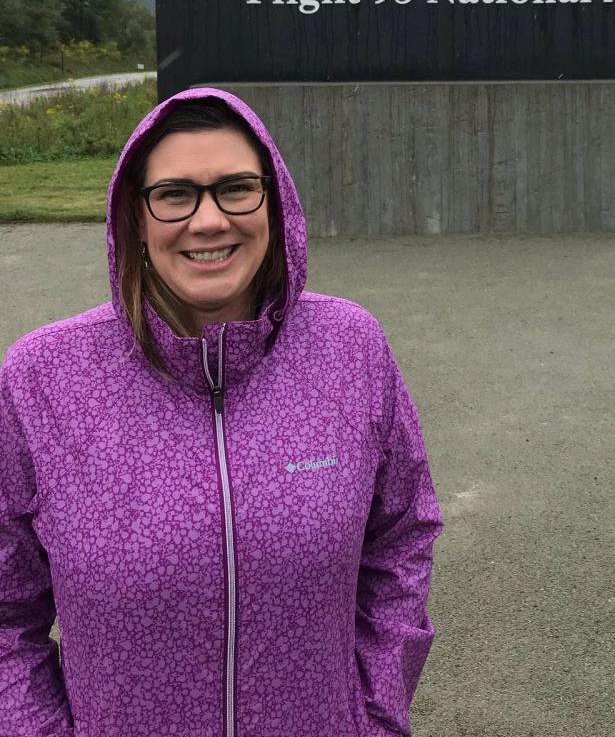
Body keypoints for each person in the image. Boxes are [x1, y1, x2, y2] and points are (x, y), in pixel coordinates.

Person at [0, 87, 443, 737]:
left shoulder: (350, 346)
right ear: (135, 217)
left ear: (275, 199)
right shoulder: (41, 378)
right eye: (175, 193)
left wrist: (374, 715)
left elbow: (400, 540)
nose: (209, 221)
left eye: (236, 188)